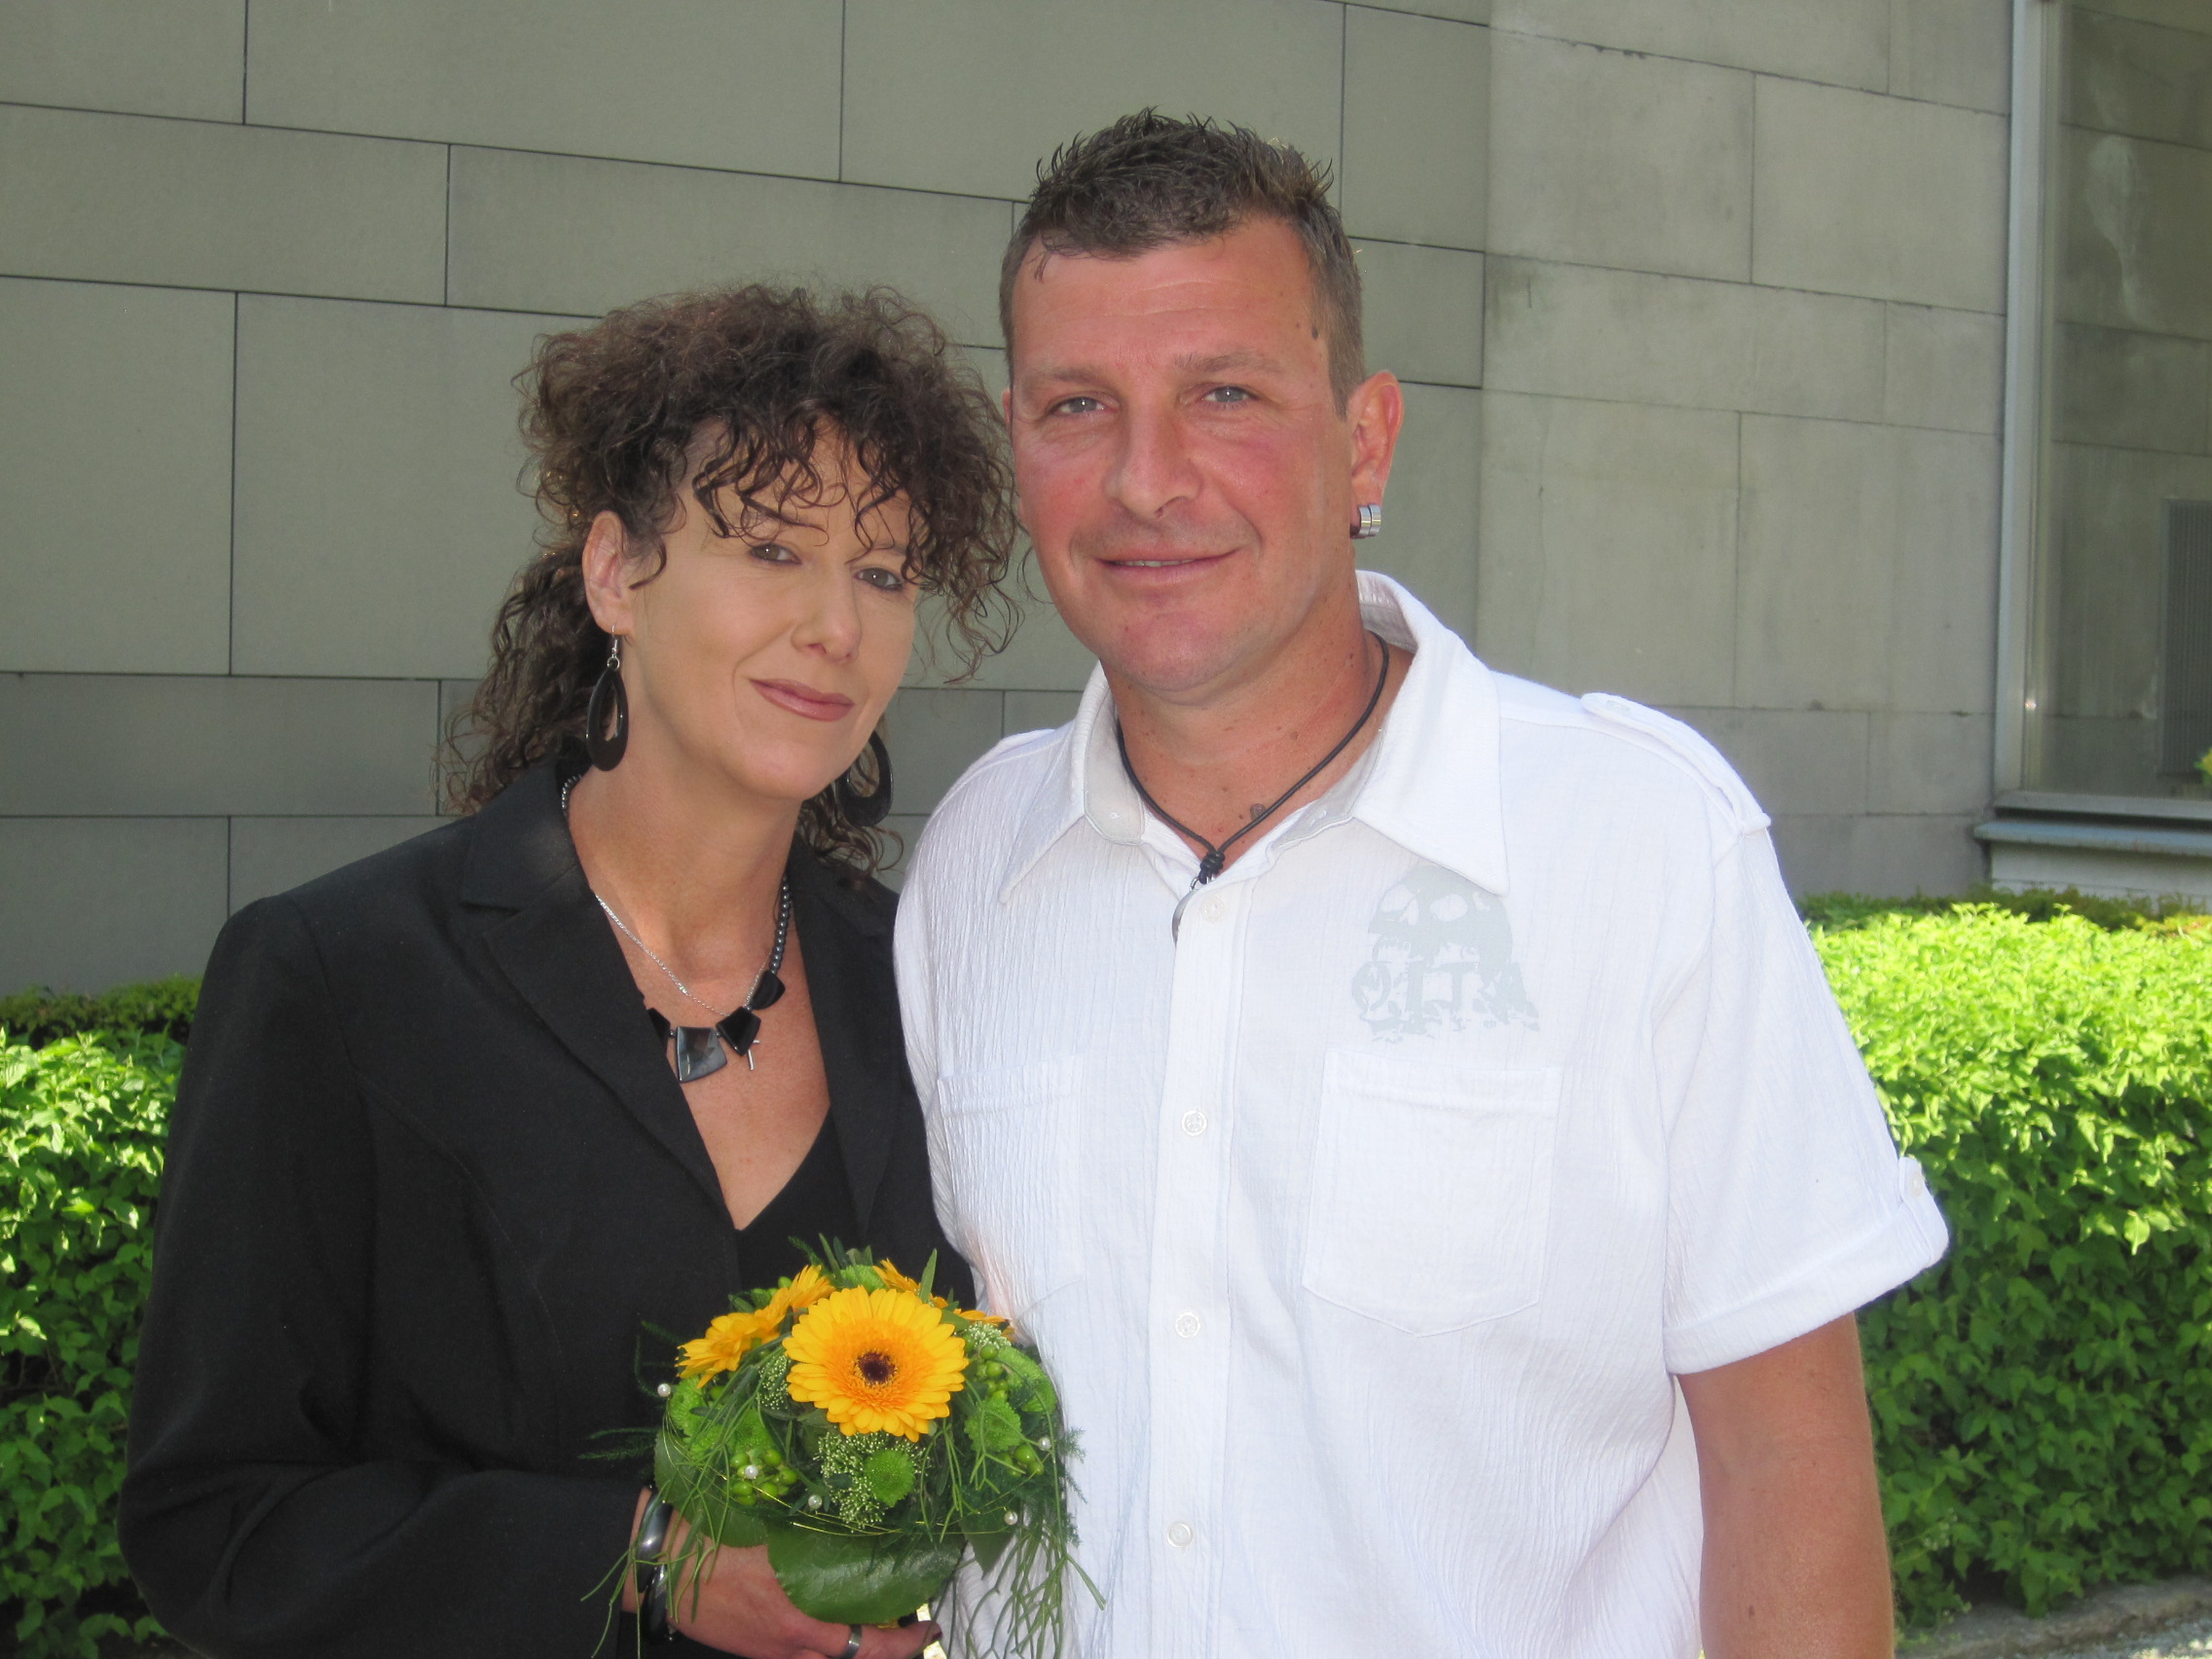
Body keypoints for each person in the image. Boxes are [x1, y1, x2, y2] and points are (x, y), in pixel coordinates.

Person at [894, 113, 1950, 1659]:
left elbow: (1785, 1473)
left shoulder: (1636, 845)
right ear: (1018, 442)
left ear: (1366, 440)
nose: (1146, 479)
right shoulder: (975, 864)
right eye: (1078, 406)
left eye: (1226, 395)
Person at [121, 286, 1016, 1659]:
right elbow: (214, 1523)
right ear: (614, 574)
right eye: (771, 548)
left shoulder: (920, 983)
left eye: (885, 572)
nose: (837, 624)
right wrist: (645, 1557)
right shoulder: (341, 980)